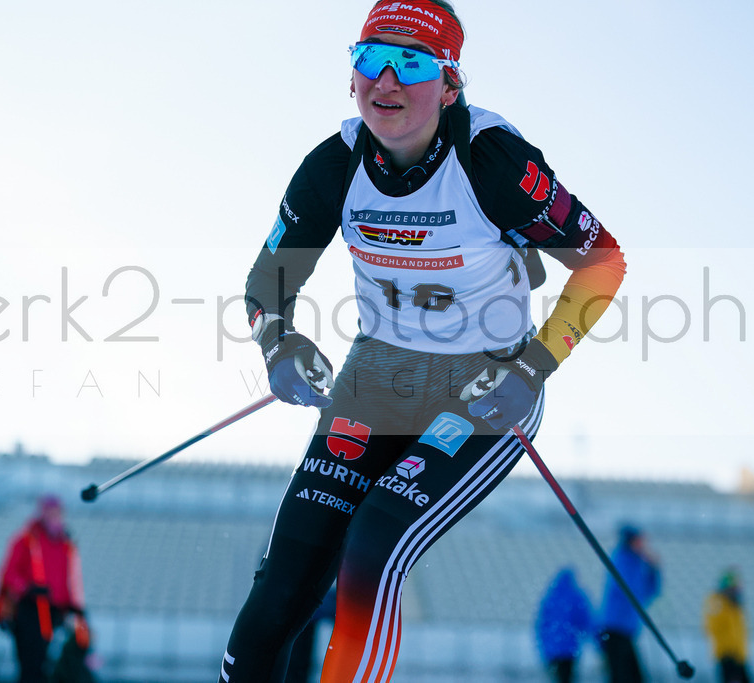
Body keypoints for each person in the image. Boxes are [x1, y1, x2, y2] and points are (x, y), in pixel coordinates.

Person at [219, 1, 626, 680]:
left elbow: (602, 262)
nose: (387, 80)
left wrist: (533, 368)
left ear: (449, 84)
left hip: (485, 384)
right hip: (376, 376)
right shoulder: (332, 166)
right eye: (371, 58)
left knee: (373, 546)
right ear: (352, 76)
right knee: (283, 581)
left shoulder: (492, 162)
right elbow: (267, 282)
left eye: (411, 62)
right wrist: (278, 343)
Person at [0, 494, 87, 683]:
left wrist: (72, 605)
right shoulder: (27, 540)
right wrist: (27, 588)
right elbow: (10, 573)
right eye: (50, 512)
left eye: (57, 513)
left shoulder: (65, 545)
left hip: (53, 612)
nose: (54, 517)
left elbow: (68, 579)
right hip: (29, 610)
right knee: (30, 664)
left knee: (47, 663)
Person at [597, 525, 661, 683]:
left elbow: (649, 592)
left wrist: (654, 570)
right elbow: (630, 589)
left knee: (631, 676)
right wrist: (646, 561)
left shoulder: (636, 563)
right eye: (639, 541)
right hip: (614, 628)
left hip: (626, 630)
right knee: (622, 675)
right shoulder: (623, 559)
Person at [535, 567, 592, 683]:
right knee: (567, 677)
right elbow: (584, 619)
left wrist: (543, 646)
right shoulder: (576, 596)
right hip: (569, 649)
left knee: (557, 677)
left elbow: (541, 624)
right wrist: (589, 636)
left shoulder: (550, 597)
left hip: (552, 649)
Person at [703, 568, 752, 683]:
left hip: (739, 654)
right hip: (727, 654)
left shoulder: (735, 604)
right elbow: (713, 626)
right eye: (733, 588)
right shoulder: (717, 602)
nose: (736, 591)